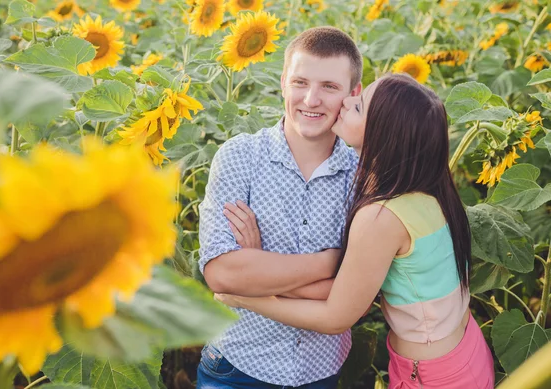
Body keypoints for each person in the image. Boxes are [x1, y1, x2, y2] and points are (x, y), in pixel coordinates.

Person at [216, 74, 495, 389]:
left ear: (383, 136)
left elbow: (337, 315)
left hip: (433, 377)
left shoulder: (381, 217)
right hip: (462, 353)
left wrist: (250, 295)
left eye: (359, 107)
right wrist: (259, 265)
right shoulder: (428, 189)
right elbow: (345, 288)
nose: (347, 101)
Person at [197, 26, 363, 388]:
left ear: (354, 95)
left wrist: (257, 268)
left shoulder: (362, 175)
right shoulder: (240, 156)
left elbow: (356, 296)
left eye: (329, 87)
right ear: (284, 82)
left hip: (321, 370)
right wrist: (330, 262)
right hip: (238, 365)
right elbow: (223, 274)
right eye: (300, 82)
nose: (311, 99)